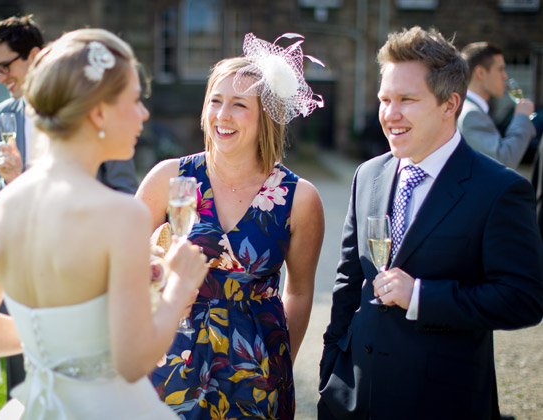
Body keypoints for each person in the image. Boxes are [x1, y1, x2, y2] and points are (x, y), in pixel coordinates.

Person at [0, 28, 207, 419]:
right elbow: (133, 362)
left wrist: (57, 339)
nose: (144, 113)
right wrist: (179, 287)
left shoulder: (4, 205)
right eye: (135, 100)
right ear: (99, 112)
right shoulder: (123, 214)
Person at [318, 26, 543, 420]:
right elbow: (348, 284)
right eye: (385, 99)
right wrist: (330, 373)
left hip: (442, 403)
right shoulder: (367, 175)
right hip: (355, 398)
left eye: (407, 99)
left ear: (449, 104)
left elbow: (524, 300)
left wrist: (421, 296)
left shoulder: (499, 190)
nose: (390, 114)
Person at [137, 33, 325, 419]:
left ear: (266, 115)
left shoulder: (300, 199)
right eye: (215, 101)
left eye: (239, 105)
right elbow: (122, 261)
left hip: (256, 369)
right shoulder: (168, 178)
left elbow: (301, 292)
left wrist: (277, 362)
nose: (222, 115)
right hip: (171, 355)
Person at [0, 15, 139, 204]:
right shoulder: (0, 116)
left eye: (5, 67)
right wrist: (8, 180)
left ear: (34, 56)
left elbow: (126, 189)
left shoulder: (83, 107)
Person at [457, 41, 536, 169]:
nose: (505, 76)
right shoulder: (471, 114)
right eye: (500, 69)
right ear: (481, 73)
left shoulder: (468, 108)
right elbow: (503, 160)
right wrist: (522, 117)